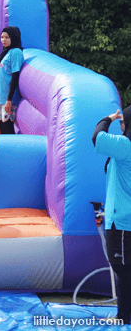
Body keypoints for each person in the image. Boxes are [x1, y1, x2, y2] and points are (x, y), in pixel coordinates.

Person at [93, 106, 131, 324]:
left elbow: (97, 137)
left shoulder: (125, 146)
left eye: (123, 122)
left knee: (122, 268)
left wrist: (107, 117)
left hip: (123, 219)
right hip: (123, 217)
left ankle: (124, 317)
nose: (120, 125)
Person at [0, 26, 24, 134]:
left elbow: (15, 75)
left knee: (7, 130)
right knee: (2, 128)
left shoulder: (16, 52)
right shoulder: (7, 51)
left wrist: (9, 99)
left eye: (7, 37)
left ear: (13, 37)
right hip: (2, 99)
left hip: (9, 100)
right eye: (2, 37)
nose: (3, 40)